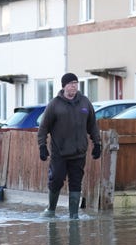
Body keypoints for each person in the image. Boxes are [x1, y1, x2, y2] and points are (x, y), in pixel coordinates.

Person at [37, 72, 101, 219]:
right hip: (60, 152)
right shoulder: (55, 104)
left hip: (79, 152)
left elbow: (92, 125)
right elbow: (43, 127)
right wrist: (42, 146)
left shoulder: (85, 103)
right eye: (71, 84)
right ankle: (51, 209)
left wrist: (97, 143)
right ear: (64, 86)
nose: (74, 86)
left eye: (75, 83)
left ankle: (74, 215)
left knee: (76, 182)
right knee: (57, 179)